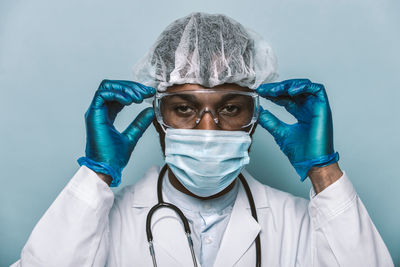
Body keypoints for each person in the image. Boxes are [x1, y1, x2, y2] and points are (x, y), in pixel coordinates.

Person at [12, 12, 394, 267]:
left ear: (255, 118)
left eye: (230, 108)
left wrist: (324, 171)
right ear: (158, 118)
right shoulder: (101, 223)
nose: (208, 130)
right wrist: (96, 175)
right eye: (184, 108)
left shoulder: (299, 223)